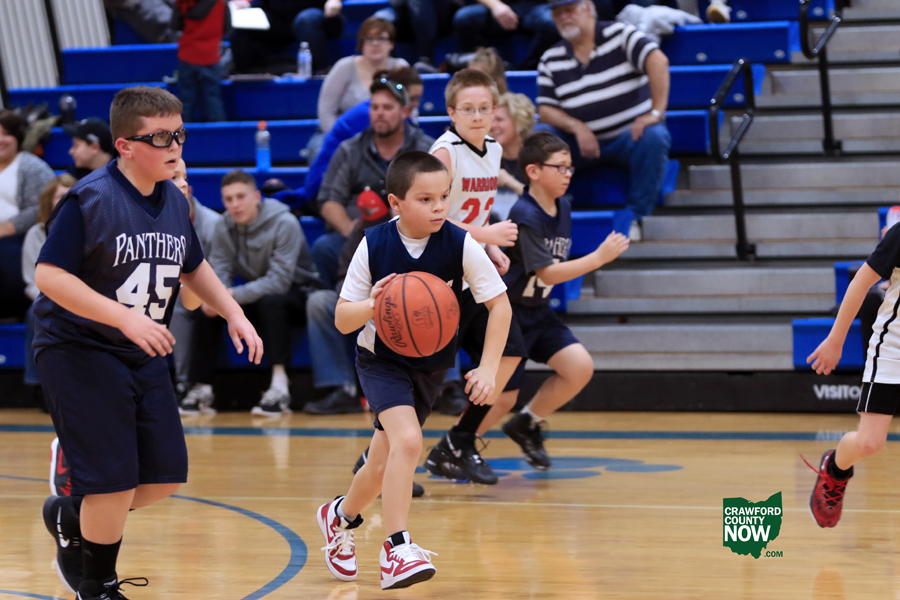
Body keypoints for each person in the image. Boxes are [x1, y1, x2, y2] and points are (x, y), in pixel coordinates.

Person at [35, 85, 261, 599]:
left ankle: (72, 512)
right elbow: (48, 275)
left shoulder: (176, 200)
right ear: (125, 146)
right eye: (159, 137)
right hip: (79, 348)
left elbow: (193, 267)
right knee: (112, 482)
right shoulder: (90, 199)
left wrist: (233, 312)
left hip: (142, 350)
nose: (174, 145)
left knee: (162, 479)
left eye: (179, 134)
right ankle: (97, 586)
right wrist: (125, 319)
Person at [316, 150, 511, 590]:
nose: (439, 207)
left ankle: (339, 516)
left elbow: (500, 305)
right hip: (381, 361)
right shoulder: (374, 244)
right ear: (396, 202)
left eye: (444, 196)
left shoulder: (460, 242)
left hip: (429, 366)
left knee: (381, 463)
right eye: (425, 199)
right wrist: (374, 304)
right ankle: (397, 549)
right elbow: (343, 319)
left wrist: (488, 368)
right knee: (408, 441)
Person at [477, 132, 629, 468]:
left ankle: (526, 422)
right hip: (511, 314)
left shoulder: (562, 206)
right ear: (534, 171)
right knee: (500, 398)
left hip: (539, 311)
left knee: (579, 368)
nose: (567, 174)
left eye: (570, 168)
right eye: (560, 167)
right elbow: (547, 274)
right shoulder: (525, 214)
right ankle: (459, 446)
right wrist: (598, 258)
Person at [421, 68, 526, 485]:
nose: (478, 116)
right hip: (438, 275)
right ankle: (370, 460)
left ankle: (458, 442)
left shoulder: (494, 149)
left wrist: (488, 247)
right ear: (452, 112)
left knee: (510, 351)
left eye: (485, 108)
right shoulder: (444, 154)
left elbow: (474, 213)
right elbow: (431, 219)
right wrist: (487, 236)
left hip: (471, 268)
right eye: (468, 109)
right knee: (422, 381)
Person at [180, 169, 320, 416]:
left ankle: (280, 387)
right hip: (256, 292)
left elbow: (279, 281)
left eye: (240, 197)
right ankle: (201, 388)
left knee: (271, 303)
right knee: (207, 310)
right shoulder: (224, 225)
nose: (235, 204)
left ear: (256, 197)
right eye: (228, 199)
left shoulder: (284, 222)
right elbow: (220, 270)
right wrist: (216, 300)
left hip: (297, 292)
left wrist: (228, 297)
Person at [537, 0, 671, 242]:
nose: (564, 17)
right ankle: (550, 213)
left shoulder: (621, 34)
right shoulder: (550, 58)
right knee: (540, 136)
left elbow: (658, 61)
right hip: (578, 145)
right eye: (557, 13)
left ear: (588, 8)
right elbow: (545, 109)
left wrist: (656, 112)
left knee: (655, 136)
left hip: (629, 137)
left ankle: (637, 216)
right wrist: (576, 126)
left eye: (569, 10)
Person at [804, 220, 900, 528]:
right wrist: (835, 340)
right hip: (893, 349)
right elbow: (861, 282)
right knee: (870, 443)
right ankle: (835, 469)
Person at [312, 77, 434, 291]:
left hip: (411, 237)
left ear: (404, 111)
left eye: (387, 107)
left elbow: (435, 198)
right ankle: (343, 302)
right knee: (324, 247)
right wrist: (352, 232)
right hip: (358, 238)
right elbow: (329, 200)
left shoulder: (425, 149)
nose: (379, 113)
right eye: (375, 107)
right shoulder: (349, 149)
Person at [278, 66, 424, 210]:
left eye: (418, 99)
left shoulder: (387, 116)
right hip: (321, 189)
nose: (416, 104)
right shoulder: (374, 118)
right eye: (413, 99)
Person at [307, 17, 409, 161]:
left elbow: (410, 107)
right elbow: (326, 111)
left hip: (389, 133)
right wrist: (342, 139)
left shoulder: (400, 68)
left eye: (381, 38)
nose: (375, 43)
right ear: (362, 43)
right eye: (369, 38)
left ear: (391, 44)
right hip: (341, 134)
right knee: (319, 149)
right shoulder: (343, 67)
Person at [166, 159, 223, 405]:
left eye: (184, 178)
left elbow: (217, 267)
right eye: (174, 178)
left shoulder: (212, 224)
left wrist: (234, 313)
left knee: (186, 303)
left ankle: (185, 382)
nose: (182, 184)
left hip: (204, 287)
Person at [0, 110, 55, 320]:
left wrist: (5, 229)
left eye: (6, 134)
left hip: (20, 238)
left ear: (18, 138)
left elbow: (41, 207)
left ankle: (10, 311)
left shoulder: (32, 167)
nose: (0, 140)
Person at [229, 0, 345, 75]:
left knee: (305, 21)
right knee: (242, 25)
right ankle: (247, 73)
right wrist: (248, 4)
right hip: (278, 18)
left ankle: (321, 71)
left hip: (313, 12)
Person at [453, 0, 560, 70]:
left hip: (535, 7)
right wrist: (496, 5)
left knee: (552, 24)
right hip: (498, 6)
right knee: (464, 18)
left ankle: (528, 69)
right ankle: (482, 67)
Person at [173, 0, 229, 123]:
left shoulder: (181, 2)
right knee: (213, 98)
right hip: (211, 55)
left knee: (185, 100)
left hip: (187, 55)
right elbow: (227, 27)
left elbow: (175, 25)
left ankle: (180, 132)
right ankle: (219, 131)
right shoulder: (220, 3)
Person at [489, 91, 534, 219]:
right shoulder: (484, 157)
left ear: (519, 122)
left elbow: (547, 205)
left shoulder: (539, 157)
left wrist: (512, 183)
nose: (492, 126)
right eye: (490, 120)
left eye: (499, 120)